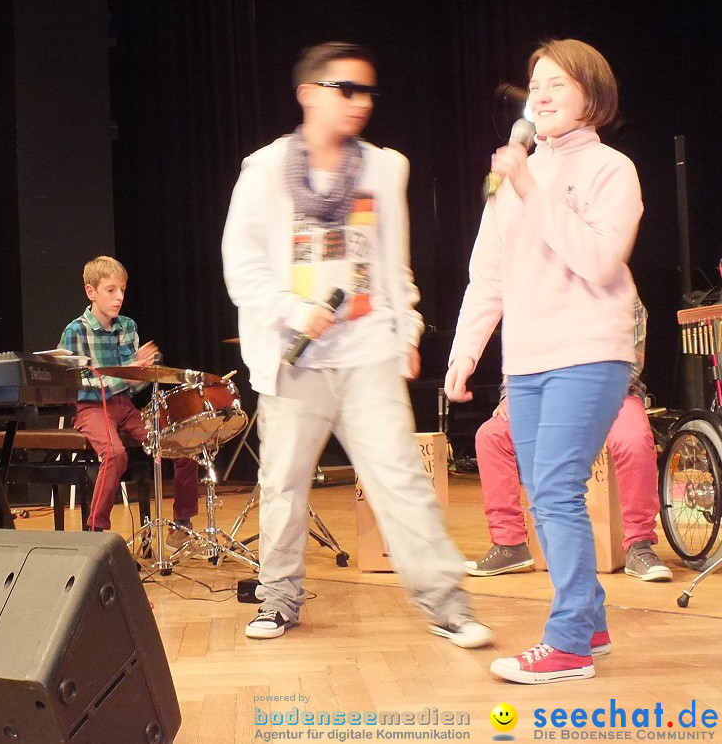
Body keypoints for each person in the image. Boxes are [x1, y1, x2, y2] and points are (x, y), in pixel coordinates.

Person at [222, 41, 491, 647]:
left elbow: (395, 265)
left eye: (367, 90)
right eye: (346, 88)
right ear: (308, 93)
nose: (360, 101)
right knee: (284, 486)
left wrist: (406, 330)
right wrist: (296, 312)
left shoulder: (385, 169)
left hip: (367, 353)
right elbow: (241, 265)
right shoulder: (264, 170)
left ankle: (449, 605)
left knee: (401, 480)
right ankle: (279, 598)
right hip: (294, 358)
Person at [445, 39, 643, 684]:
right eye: (535, 84)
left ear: (592, 94)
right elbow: (487, 275)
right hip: (525, 361)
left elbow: (599, 262)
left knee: (557, 490)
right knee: (543, 492)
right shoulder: (513, 177)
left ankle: (568, 644)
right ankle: (591, 620)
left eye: (558, 83)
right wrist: (465, 351)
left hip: (588, 351)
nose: (541, 94)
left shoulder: (612, 169)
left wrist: (531, 187)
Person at [466, 297, 672, 582]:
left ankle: (639, 545)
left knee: (634, 439)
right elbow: (518, 354)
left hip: (611, 394)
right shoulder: (535, 293)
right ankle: (509, 544)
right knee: (491, 436)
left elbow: (629, 364)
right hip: (543, 397)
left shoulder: (622, 295)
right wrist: (510, 394)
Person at [59, 256, 200, 538]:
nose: (119, 297)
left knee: (184, 445)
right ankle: (96, 530)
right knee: (115, 454)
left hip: (125, 405)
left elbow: (134, 386)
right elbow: (75, 384)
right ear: (91, 292)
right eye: (111, 290)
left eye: (122, 290)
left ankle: (181, 525)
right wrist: (127, 375)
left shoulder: (127, 326)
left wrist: (142, 371)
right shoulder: (76, 331)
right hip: (91, 408)